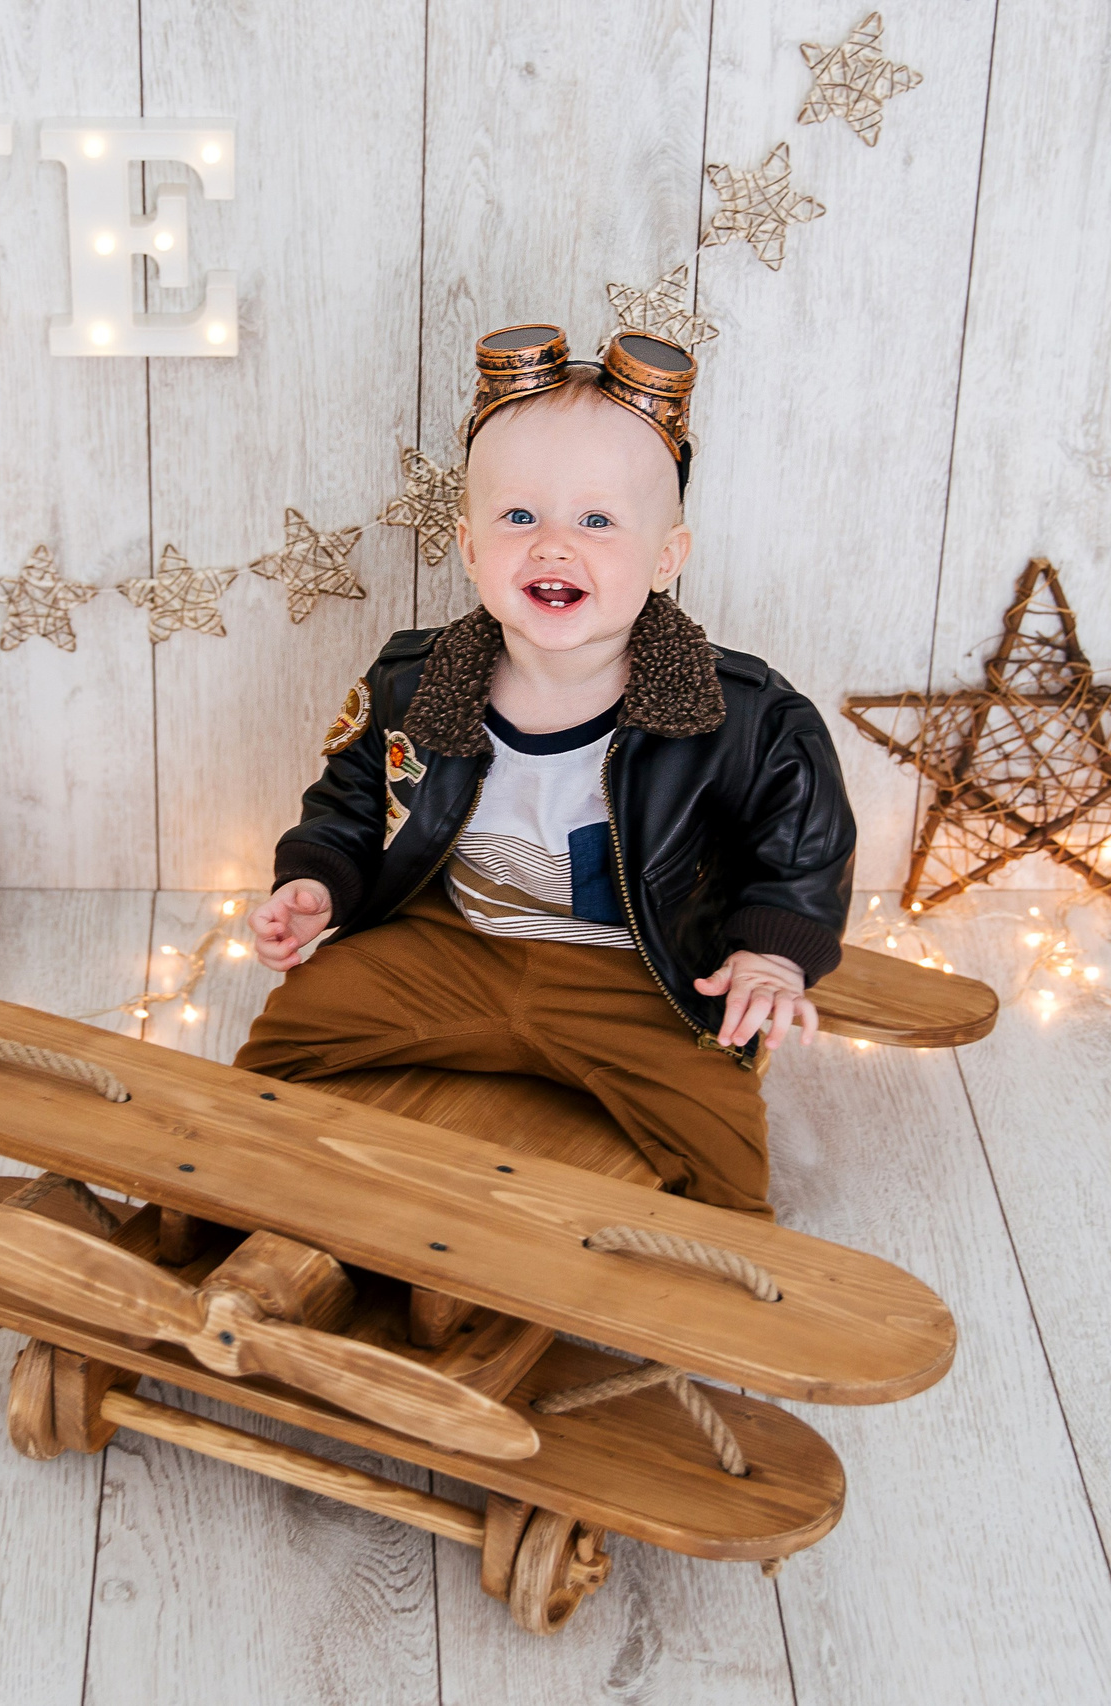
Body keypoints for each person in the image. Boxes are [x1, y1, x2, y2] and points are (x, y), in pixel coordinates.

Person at [234, 324, 855, 1217]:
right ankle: (243, 1177)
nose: (555, 546)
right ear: (471, 545)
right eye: (520, 516)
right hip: (452, 944)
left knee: (718, 1136)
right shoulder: (416, 682)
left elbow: (801, 849)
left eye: (598, 521)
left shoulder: (746, 716)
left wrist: (770, 957)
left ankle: (715, 1279)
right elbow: (350, 798)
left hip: (639, 975)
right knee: (295, 1026)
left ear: (665, 557)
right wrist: (319, 882)